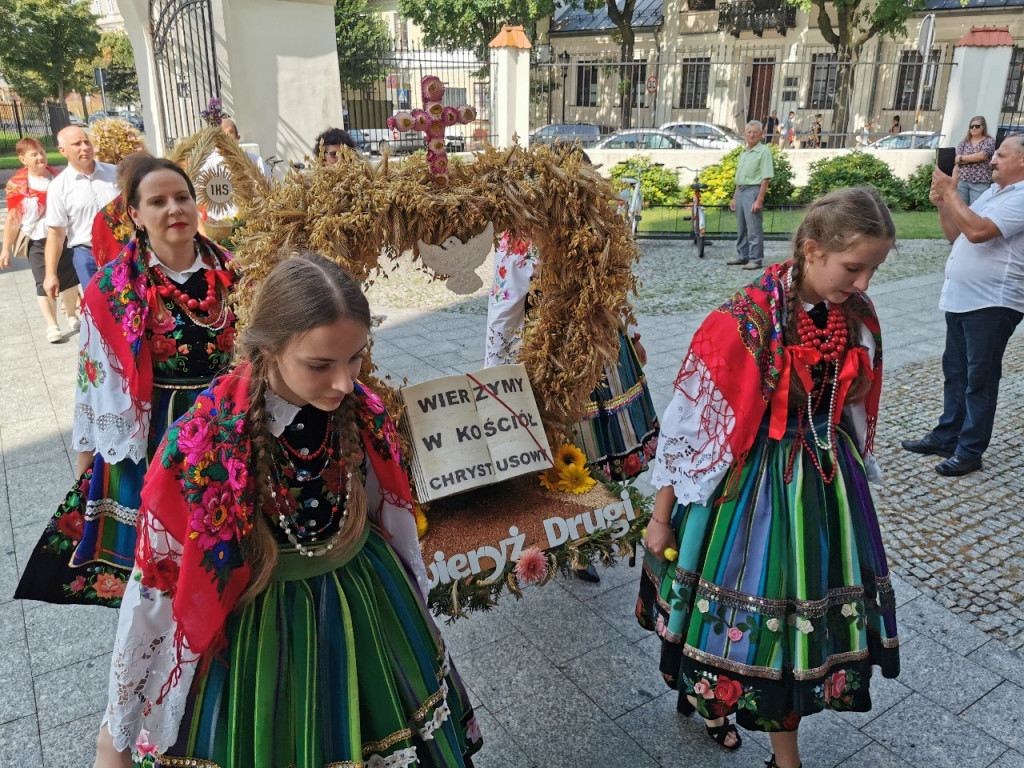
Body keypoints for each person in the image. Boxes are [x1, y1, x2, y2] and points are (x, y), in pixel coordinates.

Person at [92, 253, 483, 768]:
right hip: (259, 630)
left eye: (355, 358)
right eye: (320, 364)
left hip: (367, 603)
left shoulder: (362, 411)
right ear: (267, 349)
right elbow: (159, 583)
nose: (345, 382)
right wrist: (117, 730)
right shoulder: (206, 442)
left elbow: (389, 515)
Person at [637, 186, 900, 768]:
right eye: (854, 267)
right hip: (750, 486)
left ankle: (776, 748)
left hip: (826, 484)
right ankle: (735, 718)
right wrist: (660, 520)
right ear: (810, 249)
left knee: (796, 621)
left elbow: (855, 406)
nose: (863, 284)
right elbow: (689, 427)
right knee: (738, 604)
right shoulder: (744, 320)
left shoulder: (856, 315)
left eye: (874, 270)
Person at [14, 154, 238, 607]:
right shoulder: (113, 289)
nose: (174, 209)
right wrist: (86, 476)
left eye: (182, 198)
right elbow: (93, 386)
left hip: (231, 426)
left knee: (233, 558)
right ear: (134, 214)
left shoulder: (233, 273)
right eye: (157, 201)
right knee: (166, 577)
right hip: (159, 436)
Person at [484, 151, 660, 583]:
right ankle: (574, 539)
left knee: (596, 447)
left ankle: (589, 534)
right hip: (559, 353)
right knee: (571, 445)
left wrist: (627, 335)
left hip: (605, 349)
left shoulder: (601, 225)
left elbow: (613, 286)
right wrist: (497, 375)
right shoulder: (523, 236)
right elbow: (505, 308)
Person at [901, 133, 1024, 477]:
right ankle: (947, 435)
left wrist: (953, 192)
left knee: (979, 380)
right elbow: (956, 233)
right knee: (955, 374)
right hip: (962, 299)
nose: (992, 159)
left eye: (1000, 154)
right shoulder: (994, 192)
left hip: (993, 302)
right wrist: (944, 204)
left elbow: (979, 232)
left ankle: (970, 450)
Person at [1, 137, 81, 343]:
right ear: (22, 159)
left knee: (70, 280)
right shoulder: (17, 185)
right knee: (42, 282)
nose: (40, 157)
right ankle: (52, 325)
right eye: (34, 154)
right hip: (37, 240)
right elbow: (13, 218)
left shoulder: (60, 178)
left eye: (42, 152)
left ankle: (71, 314)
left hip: (64, 237)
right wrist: (5, 249)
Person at [43, 126, 119, 295]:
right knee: (100, 308)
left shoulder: (116, 173)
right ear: (63, 151)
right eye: (77, 144)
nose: (84, 147)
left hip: (122, 250)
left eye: (87, 142)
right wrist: (50, 274)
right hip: (88, 257)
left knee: (132, 307)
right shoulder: (59, 187)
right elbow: (56, 233)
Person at [727, 120, 774, 270]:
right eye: (749, 132)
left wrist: (759, 199)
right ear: (744, 134)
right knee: (741, 228)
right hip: (741, 191)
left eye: (755, 132)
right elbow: (739, 177)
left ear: (761, 135)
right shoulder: (744, 152)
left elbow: (766, 178)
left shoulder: (764, 152)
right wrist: (735, 197)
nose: (752, 135)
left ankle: (755, 259)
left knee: (753, 228)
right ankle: (743, 256)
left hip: (753, 191)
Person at [954, 116, 996, 205]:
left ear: (983, 127)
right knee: (961, 210)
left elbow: (982, 156)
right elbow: (957, 159)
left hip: (980, 181)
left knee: (976, 210)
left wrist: (963, 158)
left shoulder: (989, 141)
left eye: (977, 126)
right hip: (963, 180)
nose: (974, 128)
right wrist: (973, 157)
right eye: (971, 126)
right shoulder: (964, 142)